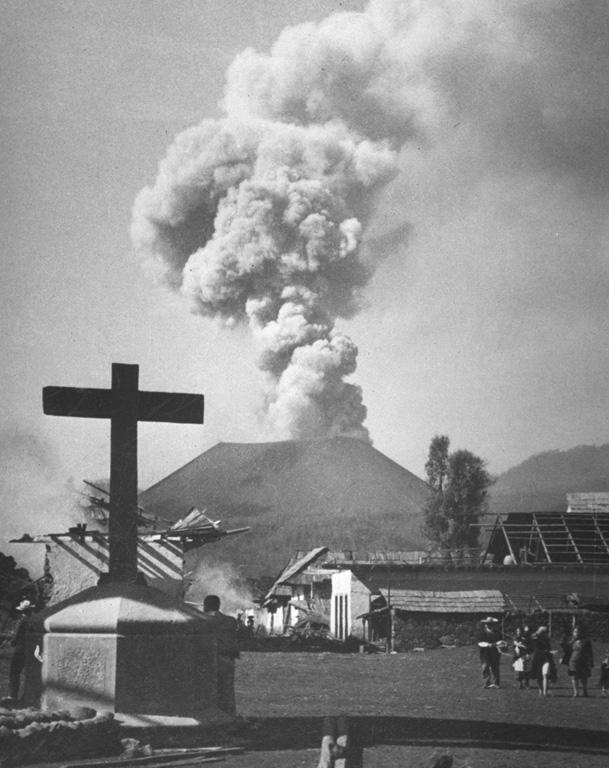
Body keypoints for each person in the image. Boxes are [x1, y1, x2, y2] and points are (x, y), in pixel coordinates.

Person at [203, 595, 240, 717]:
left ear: (206, 606)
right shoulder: (230, 621)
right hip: (227, 659)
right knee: (227, 692)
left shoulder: (203, 620)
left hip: (209, 660)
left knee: (209, 693)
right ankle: (229, 718)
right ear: (219, 605)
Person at [7, 599, 35, 703]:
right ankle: (26, 696)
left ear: (21, 611)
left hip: (21, 649)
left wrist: (12, 642)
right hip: (32, 650)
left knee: (15, 672)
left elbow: (16, 637)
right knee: (30, 673)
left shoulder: (21, 621)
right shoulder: (33, 620)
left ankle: (12, 696)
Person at [564, 625, 594, 698]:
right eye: (575, 632)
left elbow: (590, 652)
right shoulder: (570, 640)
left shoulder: (586, 641)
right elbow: (565, 649)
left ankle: (584, 690)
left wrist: (591, 661)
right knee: (574, 676)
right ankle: (576, 692)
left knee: (584, 677)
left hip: (584, 660)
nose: (576, 633)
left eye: (578, 632)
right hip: (573, 660)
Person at [477, 617, 503, 689]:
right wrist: (488, 644)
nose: (488, 625)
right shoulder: (482, 633)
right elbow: (479, 643)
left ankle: (496, 683)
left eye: (490, 624)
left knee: (495, 667)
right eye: (487, 624)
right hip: (485, 652)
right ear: (485, 625)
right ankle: (486, 682)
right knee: (485, 667)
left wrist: (496, 644)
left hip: (495, 652)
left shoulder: (497, 633)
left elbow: (501, 642)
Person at [531, 626, 555, 696]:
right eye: (540, 630)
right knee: (539, 675)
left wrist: (551, 652)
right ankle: (540, 689)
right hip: (538, 658)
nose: (541, 632)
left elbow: (549, 647)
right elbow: (535, 641)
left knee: (545, 674)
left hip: (546, 658)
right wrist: (537, 633)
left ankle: (545, 691)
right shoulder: (535, 637)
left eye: (543, 631)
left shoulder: (546, 639)